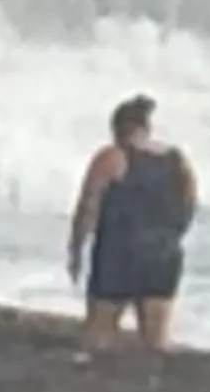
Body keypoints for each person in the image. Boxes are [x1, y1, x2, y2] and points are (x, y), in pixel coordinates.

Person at [68, 94, 199, 348]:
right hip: (162, 255)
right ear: (146, 128)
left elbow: (87, 206)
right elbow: (190, 203)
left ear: (117, 129)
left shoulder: (111, 157)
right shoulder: (177, 160)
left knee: (100, 336)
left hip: (118, 255)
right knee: (156, 342)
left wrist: (75, 250)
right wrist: (172, 235)